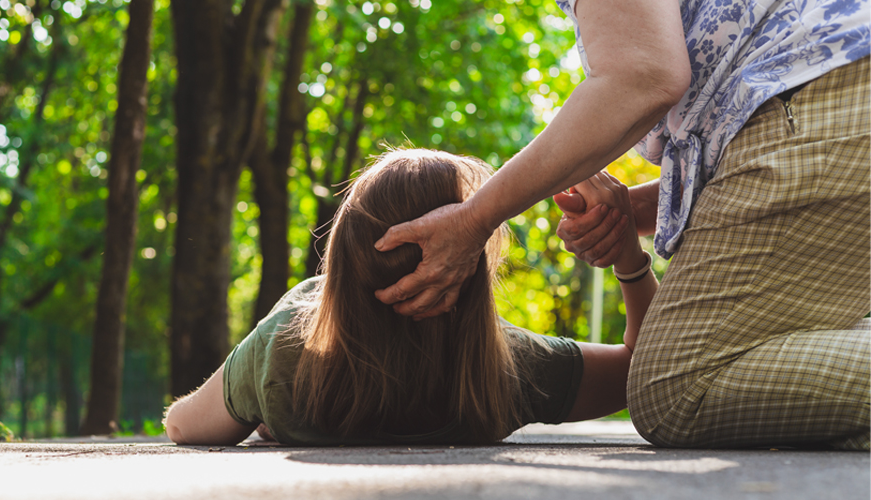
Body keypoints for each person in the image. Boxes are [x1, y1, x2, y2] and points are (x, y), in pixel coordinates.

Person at [371, 0, 869, 449]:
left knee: (675, 391)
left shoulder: (295, 348)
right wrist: (624, 218)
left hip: (826, 94)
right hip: (834, 90)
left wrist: (475, 217)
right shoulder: (510, 368)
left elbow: (642, 75)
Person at [163, 149, 656, 446]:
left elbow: (183, 427)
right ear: (469, 270)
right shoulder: (508, 368)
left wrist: (267, 396)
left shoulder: (284, 352)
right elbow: (645, 371)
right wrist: (629, 260)